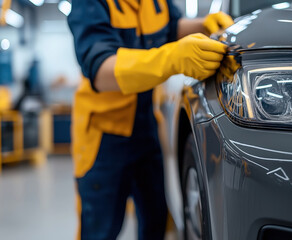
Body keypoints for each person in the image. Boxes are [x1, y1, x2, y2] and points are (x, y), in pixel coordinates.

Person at [67, 0, 234, 239]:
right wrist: (171, 59)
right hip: (103, 133)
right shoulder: (91, 4)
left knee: (155, 220)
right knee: (99, 229)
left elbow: (171, 27)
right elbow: (102, 71)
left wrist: (204, 25)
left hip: (145, 126)